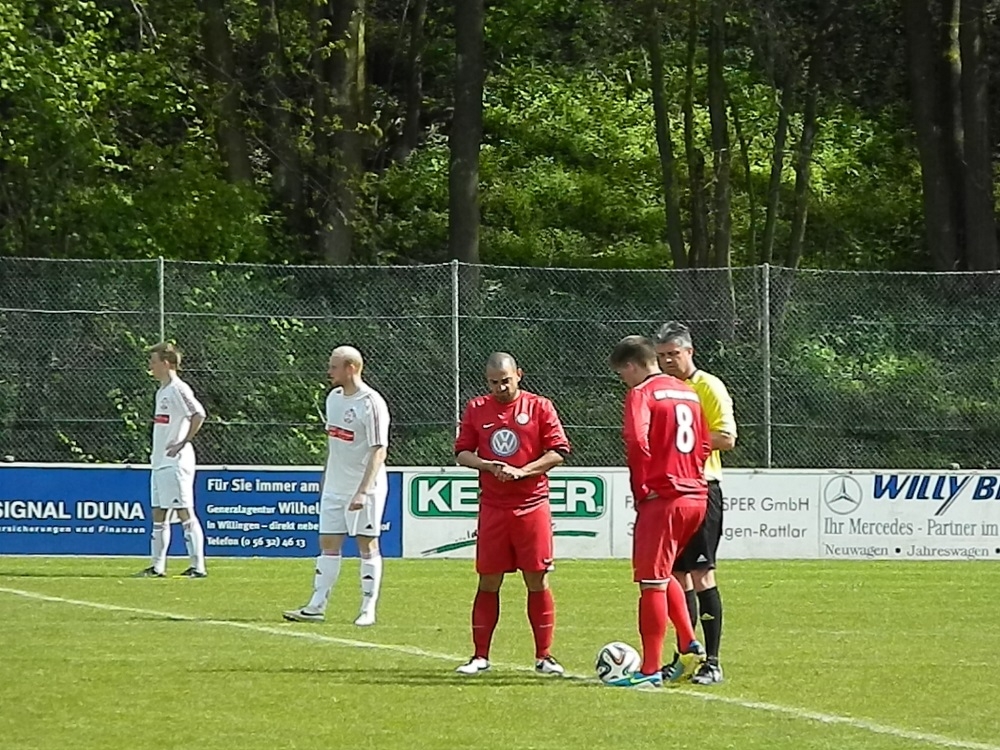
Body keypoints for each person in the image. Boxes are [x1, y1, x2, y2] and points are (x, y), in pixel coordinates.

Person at [453, 352, 571, 676]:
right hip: (493, 506)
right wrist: (487, 465)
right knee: (489, 579)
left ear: (519, 374)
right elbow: (462, 452)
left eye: (505, 380)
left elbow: (558, 451)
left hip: (532, 504)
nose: (500, 387)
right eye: (494, 382)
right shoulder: (477, 408)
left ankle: (544, 656)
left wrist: (523, 471)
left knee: (537, 577)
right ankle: (480, 656)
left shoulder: (540, 407)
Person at [608, 335, 710, 688]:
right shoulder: (687, 392)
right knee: (664, 573)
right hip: (695, 496)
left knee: (650, 582)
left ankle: (649, 671)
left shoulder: (642, 393)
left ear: (631, 366)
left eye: (622, 374)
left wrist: (643, 488)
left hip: (664, 497)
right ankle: (688, 641)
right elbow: (705, 443)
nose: (624, 381)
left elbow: (637, 440)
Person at [283, 346, 391, 627]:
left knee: (367, 544)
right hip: (335, 486)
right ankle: (316, 605)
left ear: (350, 368)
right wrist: (326, 478)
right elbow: (334, 444)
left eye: (333, 367)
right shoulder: (333, 398)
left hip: (364, 488)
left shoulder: (371, 403)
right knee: (328, 543)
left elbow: (379, 449)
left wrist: (363, 491)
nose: (328, 371)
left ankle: (368, 608)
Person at [654, 321, 736, 685]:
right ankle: (685, 656)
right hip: (672, 492)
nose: (668, 361)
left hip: (702, 488)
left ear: (689, 352)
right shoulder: (660, 391)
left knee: (702, 575)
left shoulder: (708, 386)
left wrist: (684, 443)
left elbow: (727, 437)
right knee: (676, 578)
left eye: (674, 354)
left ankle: (713, 661)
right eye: (661, 356)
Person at [136, 342, 208, 579]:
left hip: (175, 462)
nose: (151, 366)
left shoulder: (178, 388)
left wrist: (182, 442)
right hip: (159, 462)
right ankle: (157, 566)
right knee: (159, 513)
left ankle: (198, 567)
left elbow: (198, 414)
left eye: (154, 362)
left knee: (184, 511)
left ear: (166, 364)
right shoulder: (162, 391)